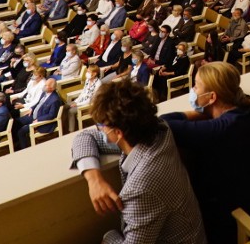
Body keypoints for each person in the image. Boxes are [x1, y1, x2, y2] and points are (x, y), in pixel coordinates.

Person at [69, 80, 206, 243]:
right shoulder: (159, 129)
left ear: (118, 133)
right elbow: (85, 137)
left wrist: (108, 236)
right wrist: (94, 180)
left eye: (100, 125)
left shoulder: (141, 188)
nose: (99, 129)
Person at [162, 62, 250, 243]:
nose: (193, 90)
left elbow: (162, 123)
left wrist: (196, 114)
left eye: (196, 85)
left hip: (235, 219)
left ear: (212, 97)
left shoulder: (216, 130)